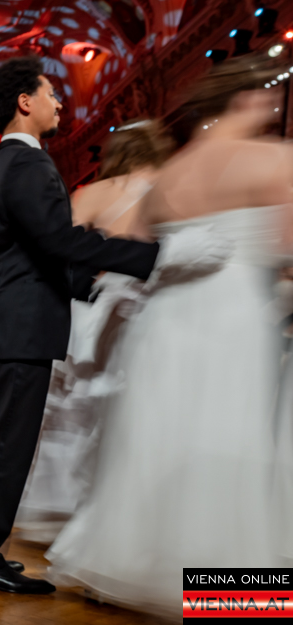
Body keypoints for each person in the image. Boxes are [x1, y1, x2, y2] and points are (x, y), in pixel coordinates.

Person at [0, 56, 231, 595]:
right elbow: (59, 241)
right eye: (50, 93)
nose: (59, 102)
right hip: (17, 325)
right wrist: (157, 256)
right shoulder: (26, 163)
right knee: (3, 446)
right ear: (25, 102)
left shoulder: (5, 164)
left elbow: (31, 246)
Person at [47, 56, 292, 615]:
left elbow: (135, 252)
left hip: (162, 319)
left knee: (154, 439)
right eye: (269, 98)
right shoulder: (275, 159)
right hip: (232, 316)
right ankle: (227, 594)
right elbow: (286, 247)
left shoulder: (169, 175)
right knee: (228, 441)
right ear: (249, 100)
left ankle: (130, 565)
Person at [16, 119, 171, 543]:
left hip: (97, 307)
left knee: (75, 406)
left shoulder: (92, 193)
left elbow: (63, 252)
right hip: (149, 302)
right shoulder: (168, 187)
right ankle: (121, 506)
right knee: (134, 403)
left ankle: (62, 503)